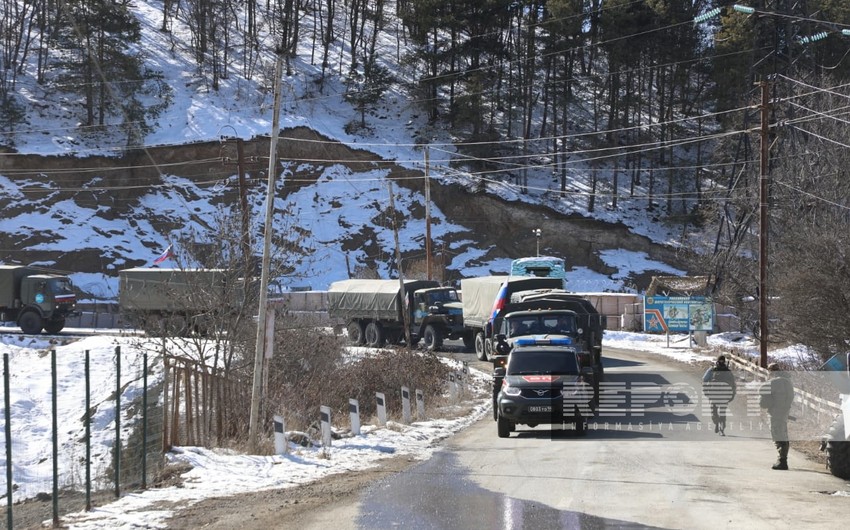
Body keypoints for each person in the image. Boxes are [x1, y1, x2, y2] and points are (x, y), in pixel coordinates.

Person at [760, 362, 795, 470]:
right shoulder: (788, 381)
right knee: (783, 434)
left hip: (775, 412)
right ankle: (783, 459)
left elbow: (761, 389)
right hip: (784, 411)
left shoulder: (774, 381)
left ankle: (782, 460)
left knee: (777, 435)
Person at [702, 355, 736, 435]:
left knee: (720, 412)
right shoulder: (713, 370)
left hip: (720, 394)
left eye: (722, 361)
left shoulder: (725, 371)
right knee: (716, 413)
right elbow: (704, 380)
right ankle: (718, 424)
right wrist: (706, 390)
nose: (721, 362)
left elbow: (733, 384)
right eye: (720, 361)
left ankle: (721, 428)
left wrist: (732, 394)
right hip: (717, 395)